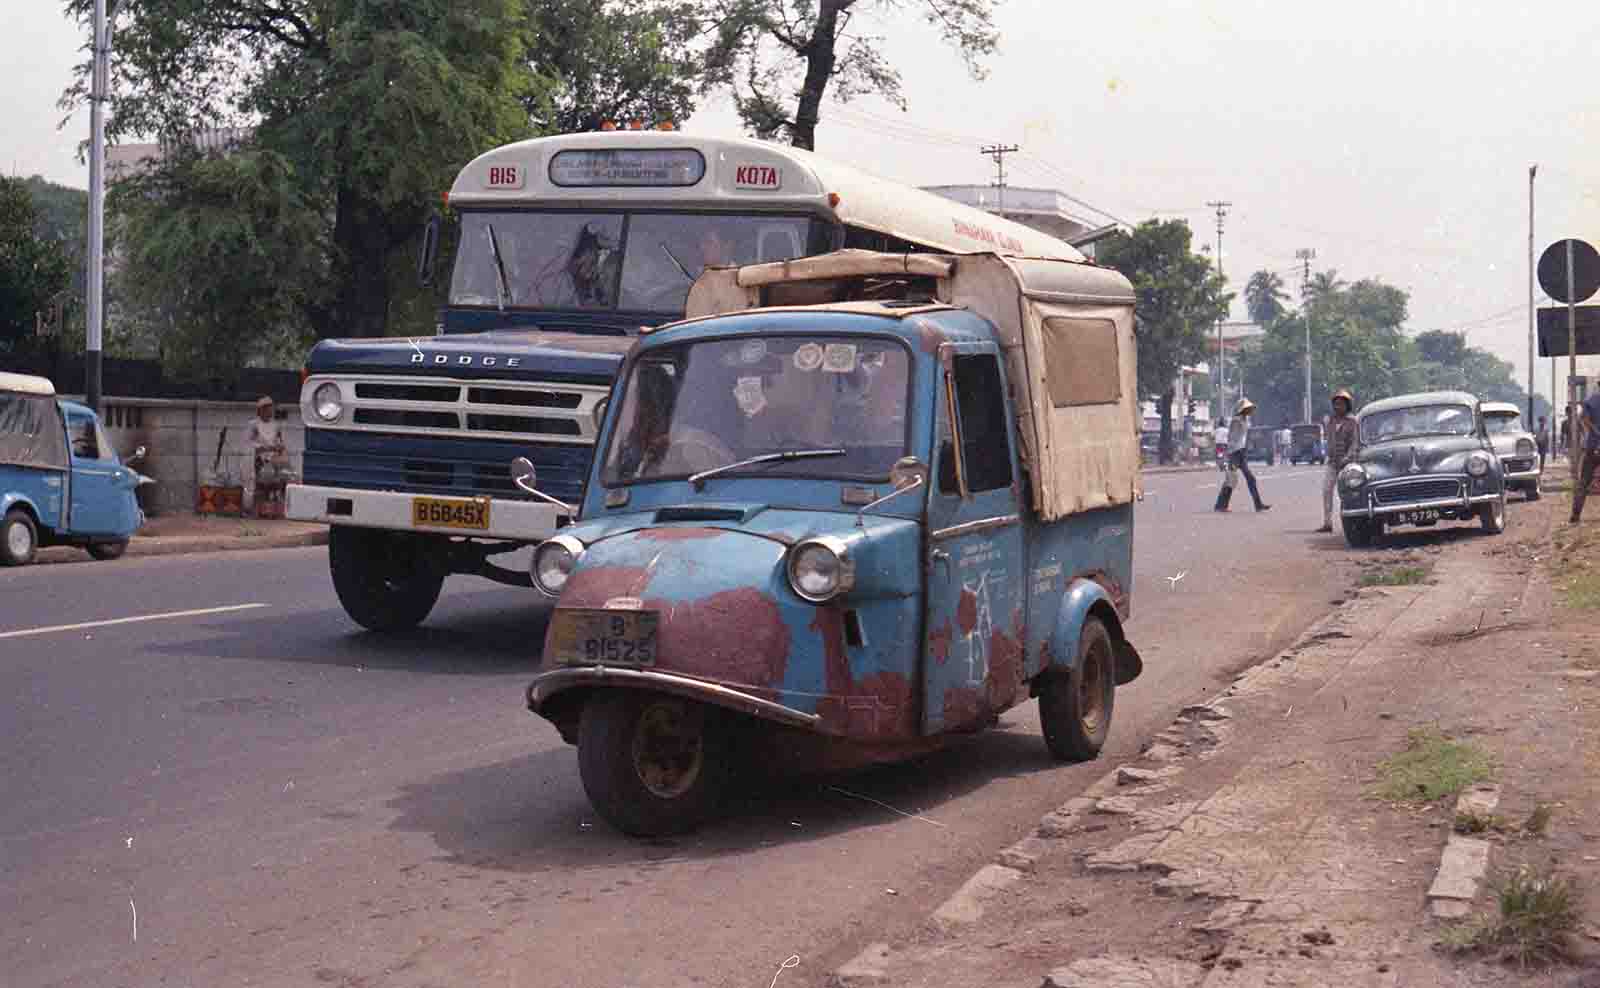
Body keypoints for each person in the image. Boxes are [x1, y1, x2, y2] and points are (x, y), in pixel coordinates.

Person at [1215, 398, 1270, 512]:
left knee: (1250, 479)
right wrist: (1230, 453)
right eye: (1248, 409)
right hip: (1235, 453)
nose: (1250, 411)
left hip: (1240, 453)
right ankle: (1220, 505)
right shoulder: (1237, 421)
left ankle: (1258, 504)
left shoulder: (1244, 420)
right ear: (1243, 409)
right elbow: (1231, 437)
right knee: (1231, 479)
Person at [1317, 389, 1360, 533]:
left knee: (1347, 493)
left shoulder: (1353, 421)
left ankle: (1351, 522)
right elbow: (1329, 440)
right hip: (1333, 462)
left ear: (1347, 405)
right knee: (1326, 490)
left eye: (1341, 404)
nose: (1337, 407)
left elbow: (1355, 443)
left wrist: (1347, 458)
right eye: (1335, 404)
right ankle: (1327, 522)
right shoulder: (1330, 421)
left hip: (1348, 463)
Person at [1569, 389, 1600, 524]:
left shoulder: (1590, 400)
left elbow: (1583, 419)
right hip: (1593, 446)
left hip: (1592, 446)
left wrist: (1594, 431)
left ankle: (1576, 515)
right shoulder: (1591, 400)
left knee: (1584, 482)